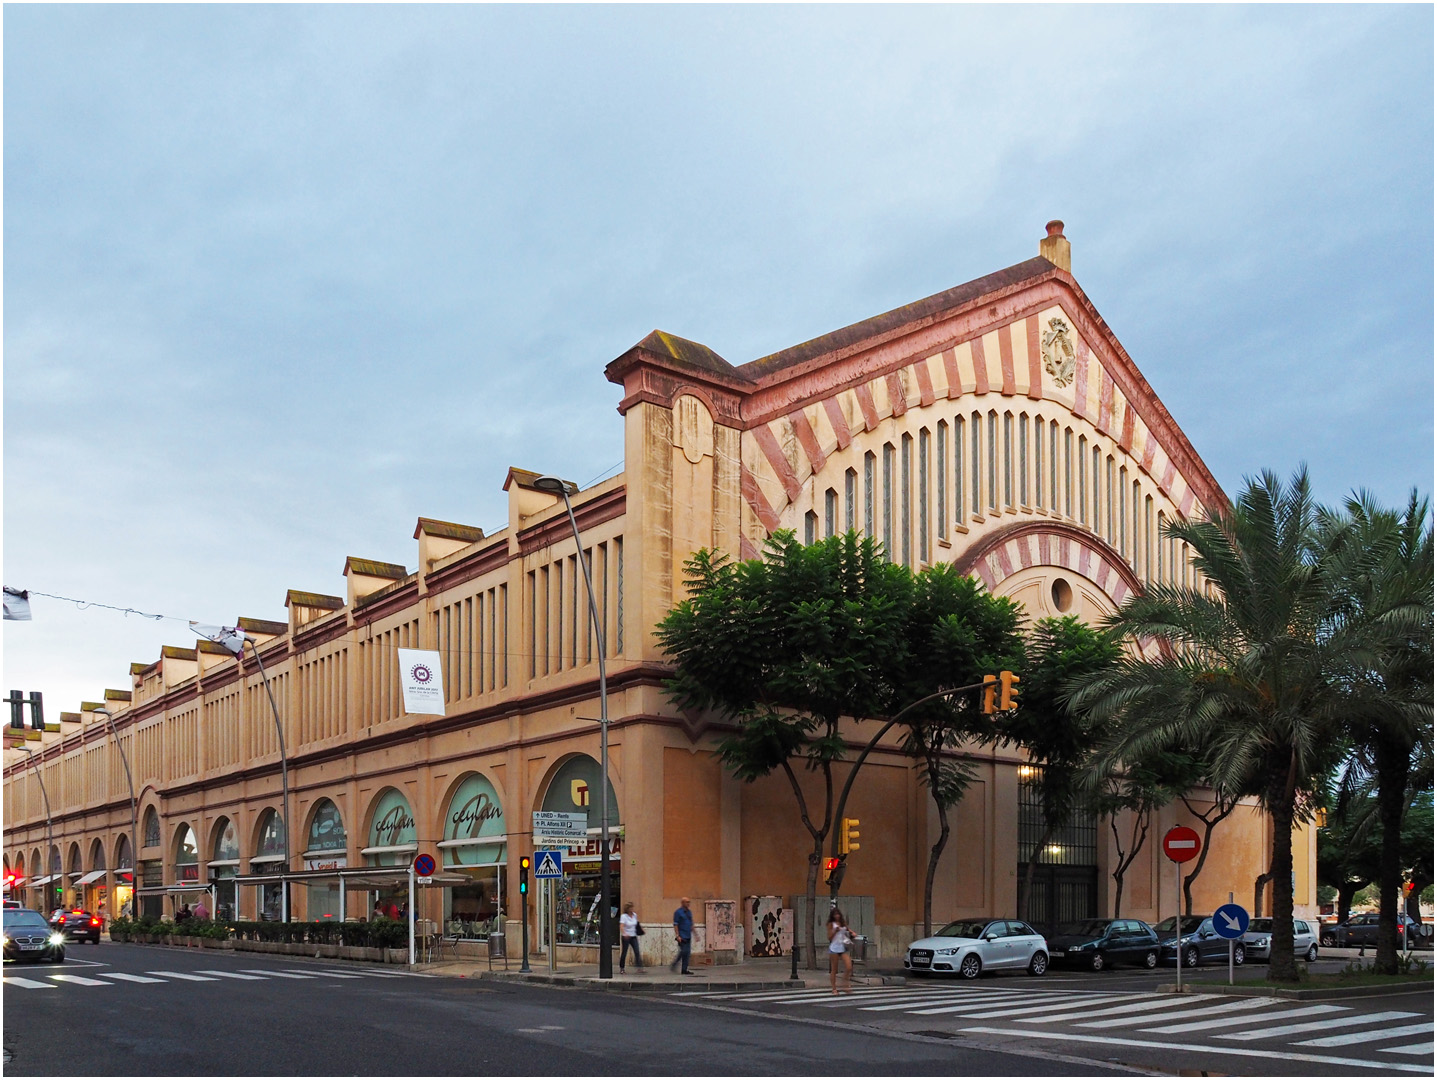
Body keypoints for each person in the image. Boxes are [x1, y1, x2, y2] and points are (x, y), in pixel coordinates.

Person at [827, 907, 853, 994]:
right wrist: (835, 931)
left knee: (849, 967)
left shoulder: (842, 923)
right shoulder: (831, 924)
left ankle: (845, 984)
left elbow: (848, 930)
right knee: (834, 969)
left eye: (838, 914)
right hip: (834, 948)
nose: (837, 916)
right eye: (835, 914)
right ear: (833, 916)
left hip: (843, 947)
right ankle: (834, 988)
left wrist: (853, 933)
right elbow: (829, 937)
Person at [670, 896, 695, 975]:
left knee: (687, 953)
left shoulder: (689, 912)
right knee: (684, 951)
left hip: (688, 935)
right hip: (682, 936)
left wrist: (696, 934)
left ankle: (684, 969)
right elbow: (675, 924)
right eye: (687, 902)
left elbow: (691, 924)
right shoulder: (678, 912)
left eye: (689, 902)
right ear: (683, 903)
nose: (688, 904)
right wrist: (677, 935)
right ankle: (675, 964)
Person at [619, 902, 645, 974]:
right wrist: (624, 933)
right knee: (624, 952)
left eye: (632, 907)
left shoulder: (634, 915)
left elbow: (636, 924)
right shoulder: (624, 916)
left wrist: (641, 929)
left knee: (637, 951)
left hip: (633, 936)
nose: (632, 909)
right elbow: (621, 926)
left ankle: (639, 968)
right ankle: (622, 968)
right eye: (630, 908)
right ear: (627, 909)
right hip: (626, 937)